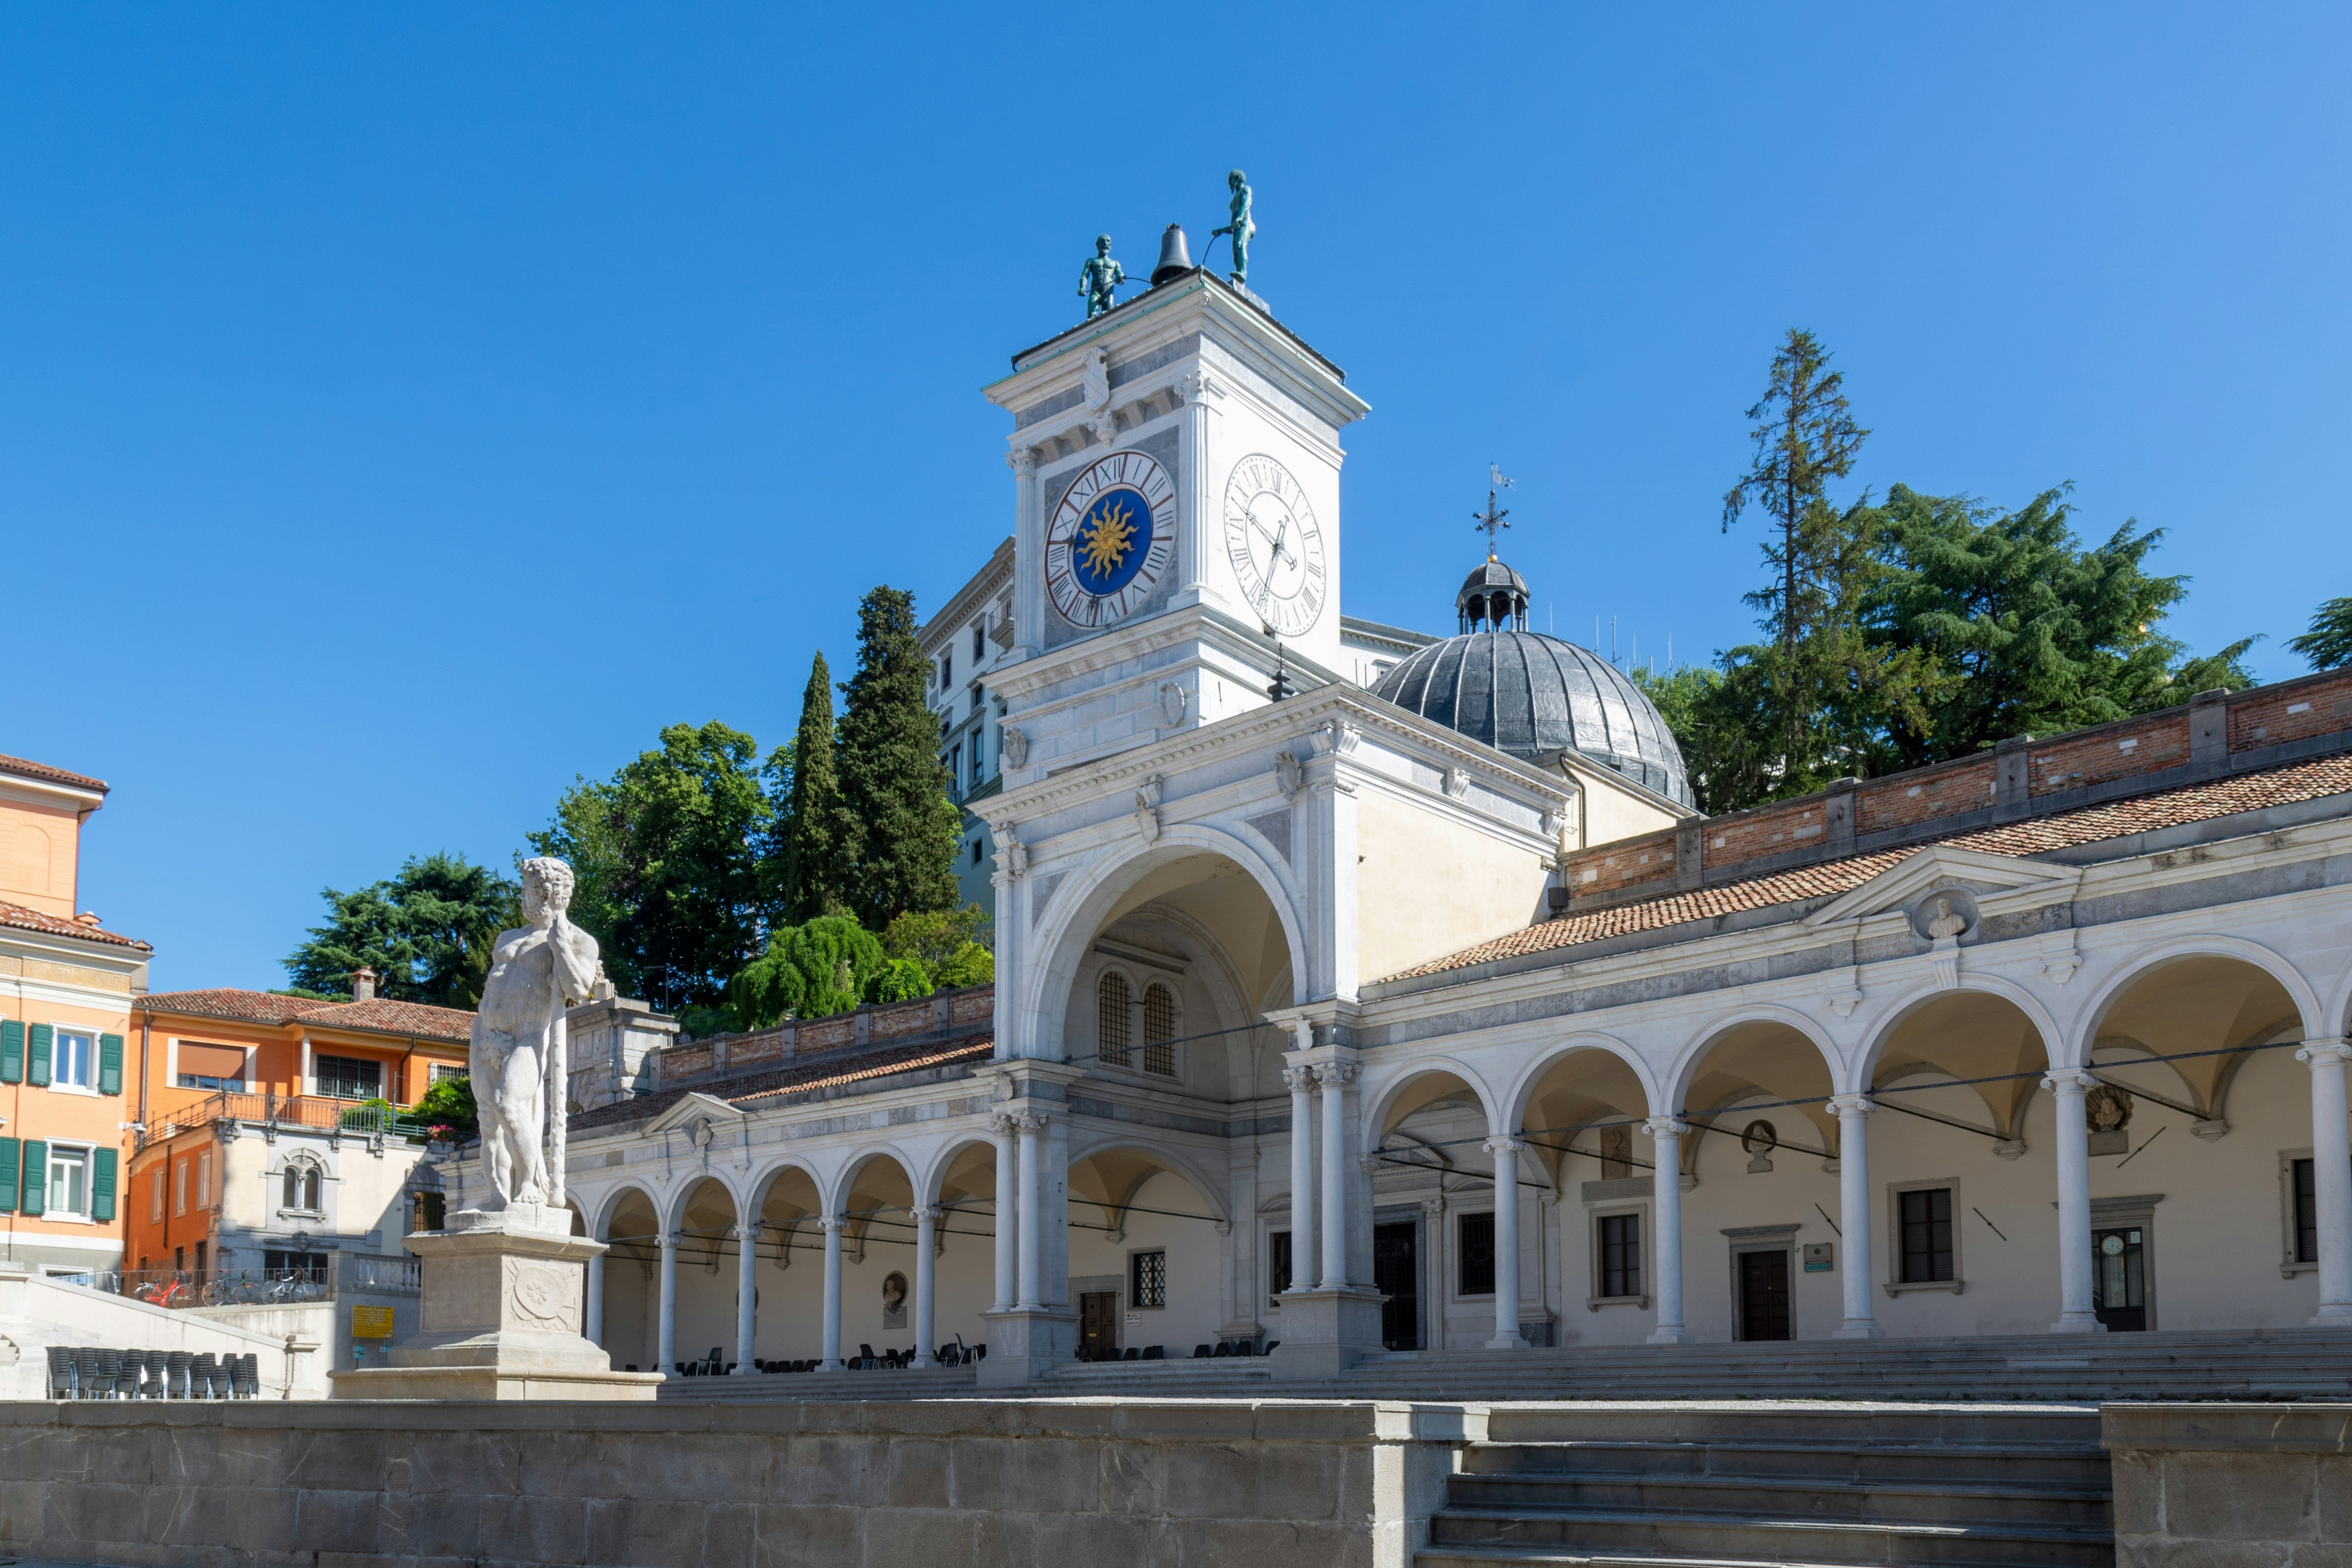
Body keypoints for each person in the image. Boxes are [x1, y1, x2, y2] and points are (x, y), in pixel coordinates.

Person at [470, 856, 600, 1212]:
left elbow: (579, 987)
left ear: (544, 893)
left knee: (508, 1105)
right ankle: (497, 1196)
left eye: (526, 889)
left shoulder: (578, 940)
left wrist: (560, 947)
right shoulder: (508, 937)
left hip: (527, 1036)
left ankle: (530, 1185)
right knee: (488, 1119)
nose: (521, 896)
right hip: (485, 1031)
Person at [1211, 169, 1255, 283]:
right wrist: (1220, 231)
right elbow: (1233, 226)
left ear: (1238, 179)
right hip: (1238, 228)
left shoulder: (1246, 190)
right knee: (1236, 254)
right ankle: (1239, 273)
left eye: (1231, 180)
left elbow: (1246, 204)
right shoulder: (1233, 202)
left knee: (1240, 245)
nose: (1230, 183)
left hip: (1246, 225)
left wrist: (1240, 218)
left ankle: (1243, 272)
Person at [1078, 234, 1126, 320]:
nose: (1105, 244)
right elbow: (1084, 276)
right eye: (1103, 241)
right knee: (1090, 319)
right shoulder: (1091, 261)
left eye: (1108, 242)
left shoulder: (1115, 263)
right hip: (1095, 292)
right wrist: (1082, 287)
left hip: (1108, 293)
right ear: (1097, 245)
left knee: (1110, 318)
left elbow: (1121, 278)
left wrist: (1120, 279)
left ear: (1110, 246)